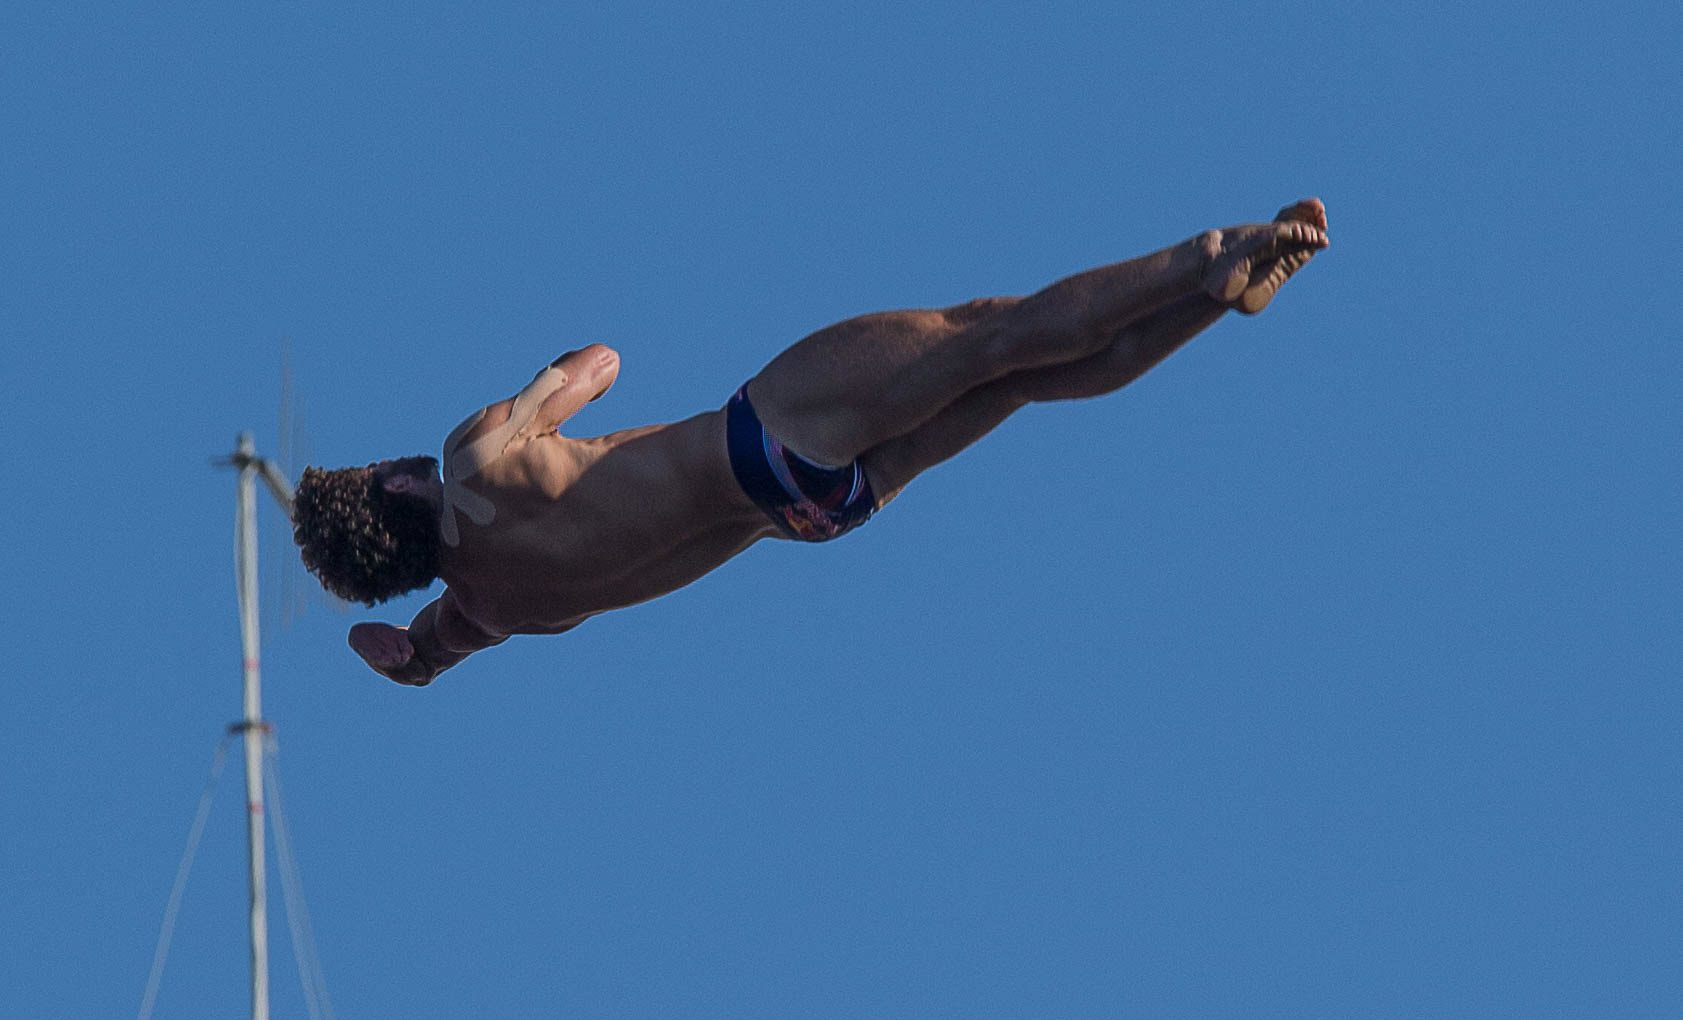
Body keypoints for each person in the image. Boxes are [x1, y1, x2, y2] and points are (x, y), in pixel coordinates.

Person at [292, 199, 1329, 685]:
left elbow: (417, 657)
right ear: (390, 480)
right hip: (763, 438)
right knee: (991, 332)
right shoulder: (470, 458)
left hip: (811, 513)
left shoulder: (488, 609)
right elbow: (601, 360)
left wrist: (399, 646)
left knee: (1023, 388)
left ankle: (1214, 301)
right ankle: (1209, 254)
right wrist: (538, 397)